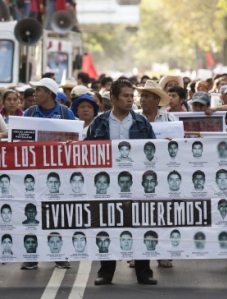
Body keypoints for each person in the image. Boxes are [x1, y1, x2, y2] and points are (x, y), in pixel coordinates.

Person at [85, 79, 157, 285]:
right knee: (107, 225)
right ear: (113, 98)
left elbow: (153, 152)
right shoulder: (99, 123)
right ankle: (106, 272)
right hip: (106, 184)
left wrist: (165, 144)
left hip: (135, 184)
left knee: (139, 224)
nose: (130, 100)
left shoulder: (141, 123)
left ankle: (144, 272)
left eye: (131, 96)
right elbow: (86, 150)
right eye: (125, 96)